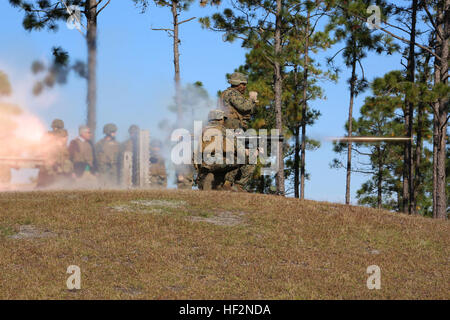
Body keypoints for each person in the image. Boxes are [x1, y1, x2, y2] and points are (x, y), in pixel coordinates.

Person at [219, 72, 259, 191]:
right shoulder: (232, 93)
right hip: (232, 129)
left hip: (236, 129)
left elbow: (250, 111)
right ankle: (231, 183)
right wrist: (252, 100)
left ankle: (237, 185)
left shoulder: (228, 94)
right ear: (238, 84)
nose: (245, 87)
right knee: (239, 154)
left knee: (245, 155)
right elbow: (245, 107)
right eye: (243, 84)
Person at [196, 109, 239, 190]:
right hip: (217, 161)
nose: (224, 121)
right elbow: (237, 147)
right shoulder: (223, 130)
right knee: (241, 158)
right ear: (220, 119)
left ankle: (206, 176)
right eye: (223, 119)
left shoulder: (202, 130)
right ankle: (228, 183)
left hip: (204, 163)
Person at [95, 123, 120, 188]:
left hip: (114, 168)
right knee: (102, 185)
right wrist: (96, 170)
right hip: (103, 168)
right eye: (113, 132)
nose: (115, 133)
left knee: (113, 186)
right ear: (108, 132)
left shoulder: (117, 144)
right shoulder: (100, 144)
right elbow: (95, 157)